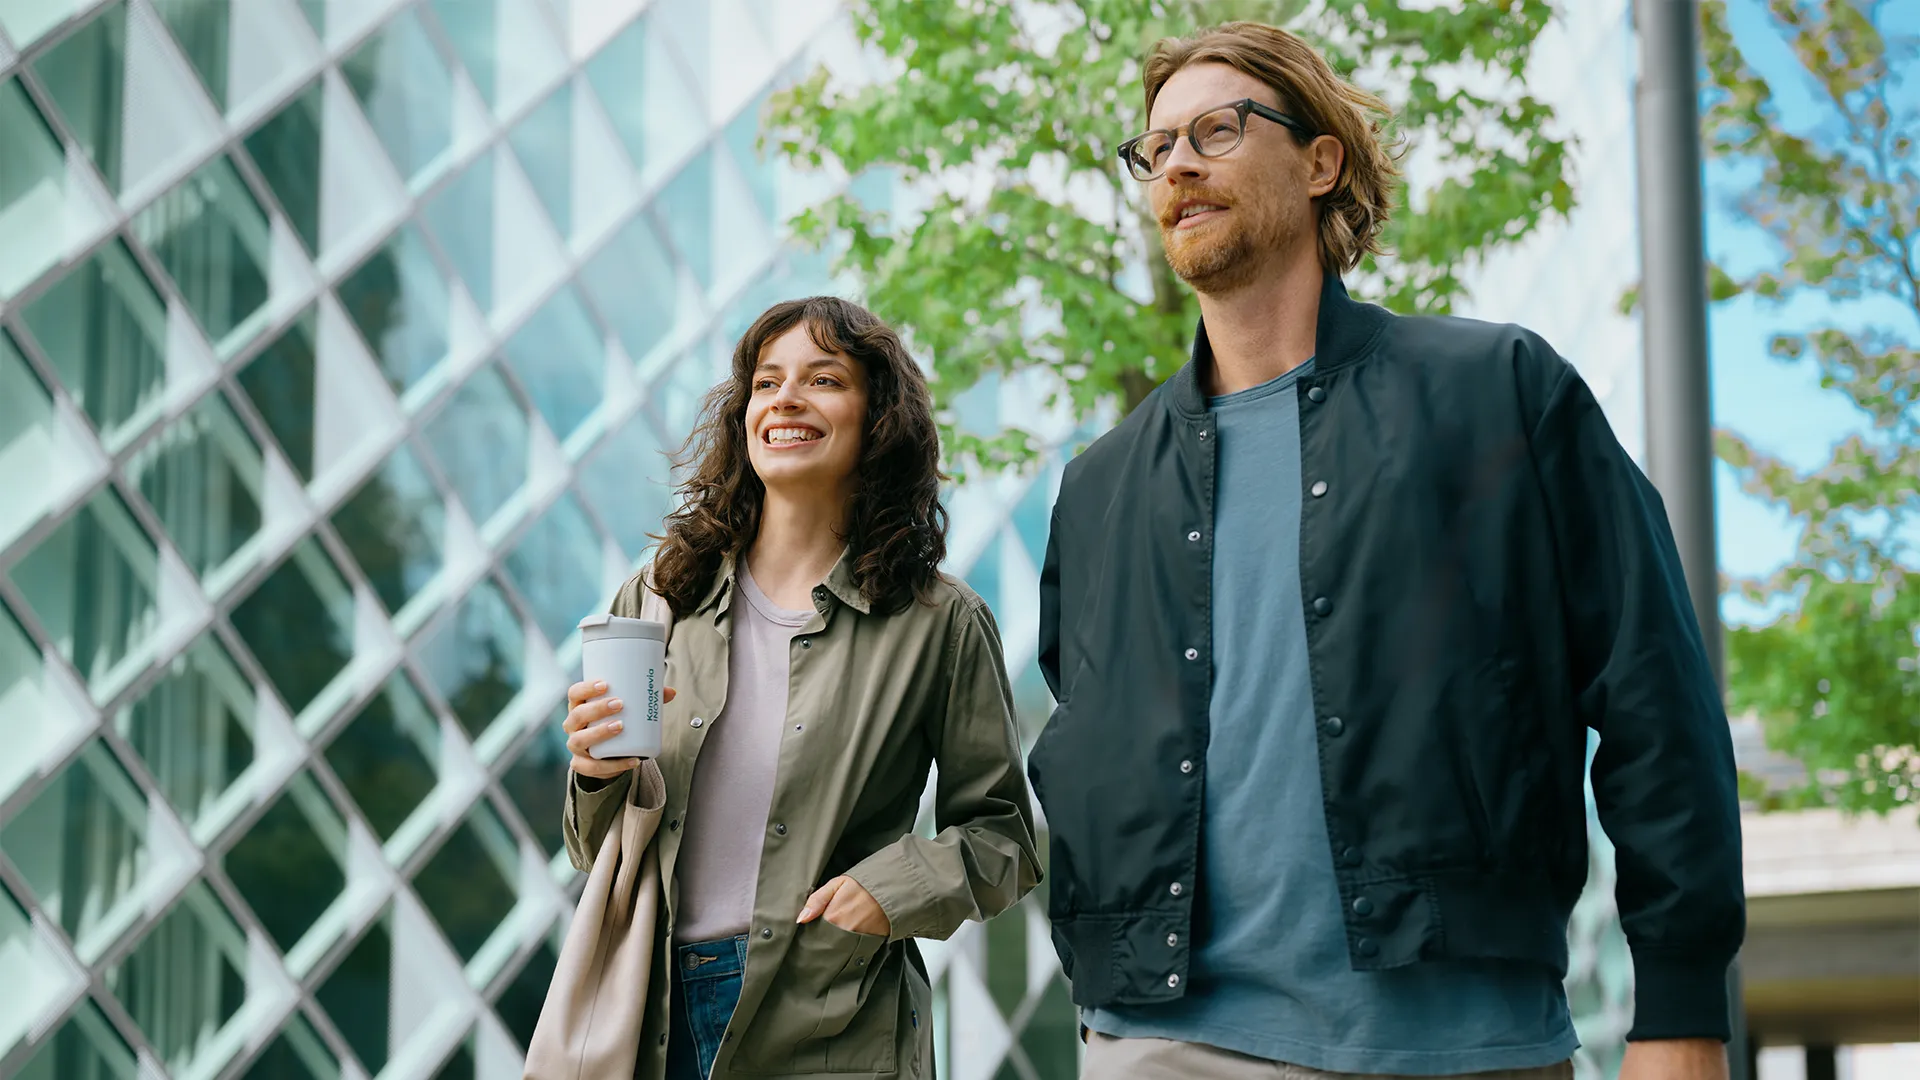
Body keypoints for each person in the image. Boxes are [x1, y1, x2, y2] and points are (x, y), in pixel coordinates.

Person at [1029, 21, 1744, 1080]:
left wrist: (1680, 1009)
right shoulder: (1098, 487)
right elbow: (1083, 747)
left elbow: (1654, 698)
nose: (1176, 163)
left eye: (1216, 131)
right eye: (1157, 147)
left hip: (1465, 1043)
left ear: (1322, 162)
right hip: (1161, 1048)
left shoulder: (1499, 391)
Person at [561, 296, 1041, 1080]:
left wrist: (889, 889)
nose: (785, 399)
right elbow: (592, 850)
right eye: (766, 382)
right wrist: (594, 773)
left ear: (876, 417)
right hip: (650, 1018)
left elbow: (1004, 838)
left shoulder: (937, 622)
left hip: (833, 1023)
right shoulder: (657, 599)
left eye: (823, 380)